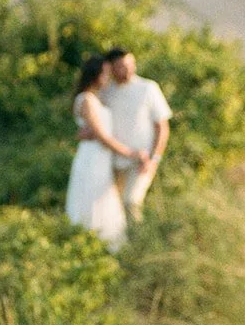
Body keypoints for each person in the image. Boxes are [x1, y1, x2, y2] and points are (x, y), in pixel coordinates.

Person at [64, 54, 149, 251]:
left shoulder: (99, 98)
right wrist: (132, 153)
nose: (108, 78)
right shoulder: (86, 99)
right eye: (105, 74)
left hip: (102, 158)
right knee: (92, 197)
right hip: (93, 157)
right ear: (96, 75)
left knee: (104, 198)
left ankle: (103, 245)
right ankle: (88, 244)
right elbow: (103, 136)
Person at [101, 47, 172, 222]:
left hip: (142, 159)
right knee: (114, 207)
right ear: (111, 68)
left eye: (130, 64)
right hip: (113, 160)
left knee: (131, 201)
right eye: (122, 66)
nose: (128, 70)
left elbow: (162, 127)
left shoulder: (148, 88)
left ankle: (137, 242)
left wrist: (154, 158)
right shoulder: (106, 92)